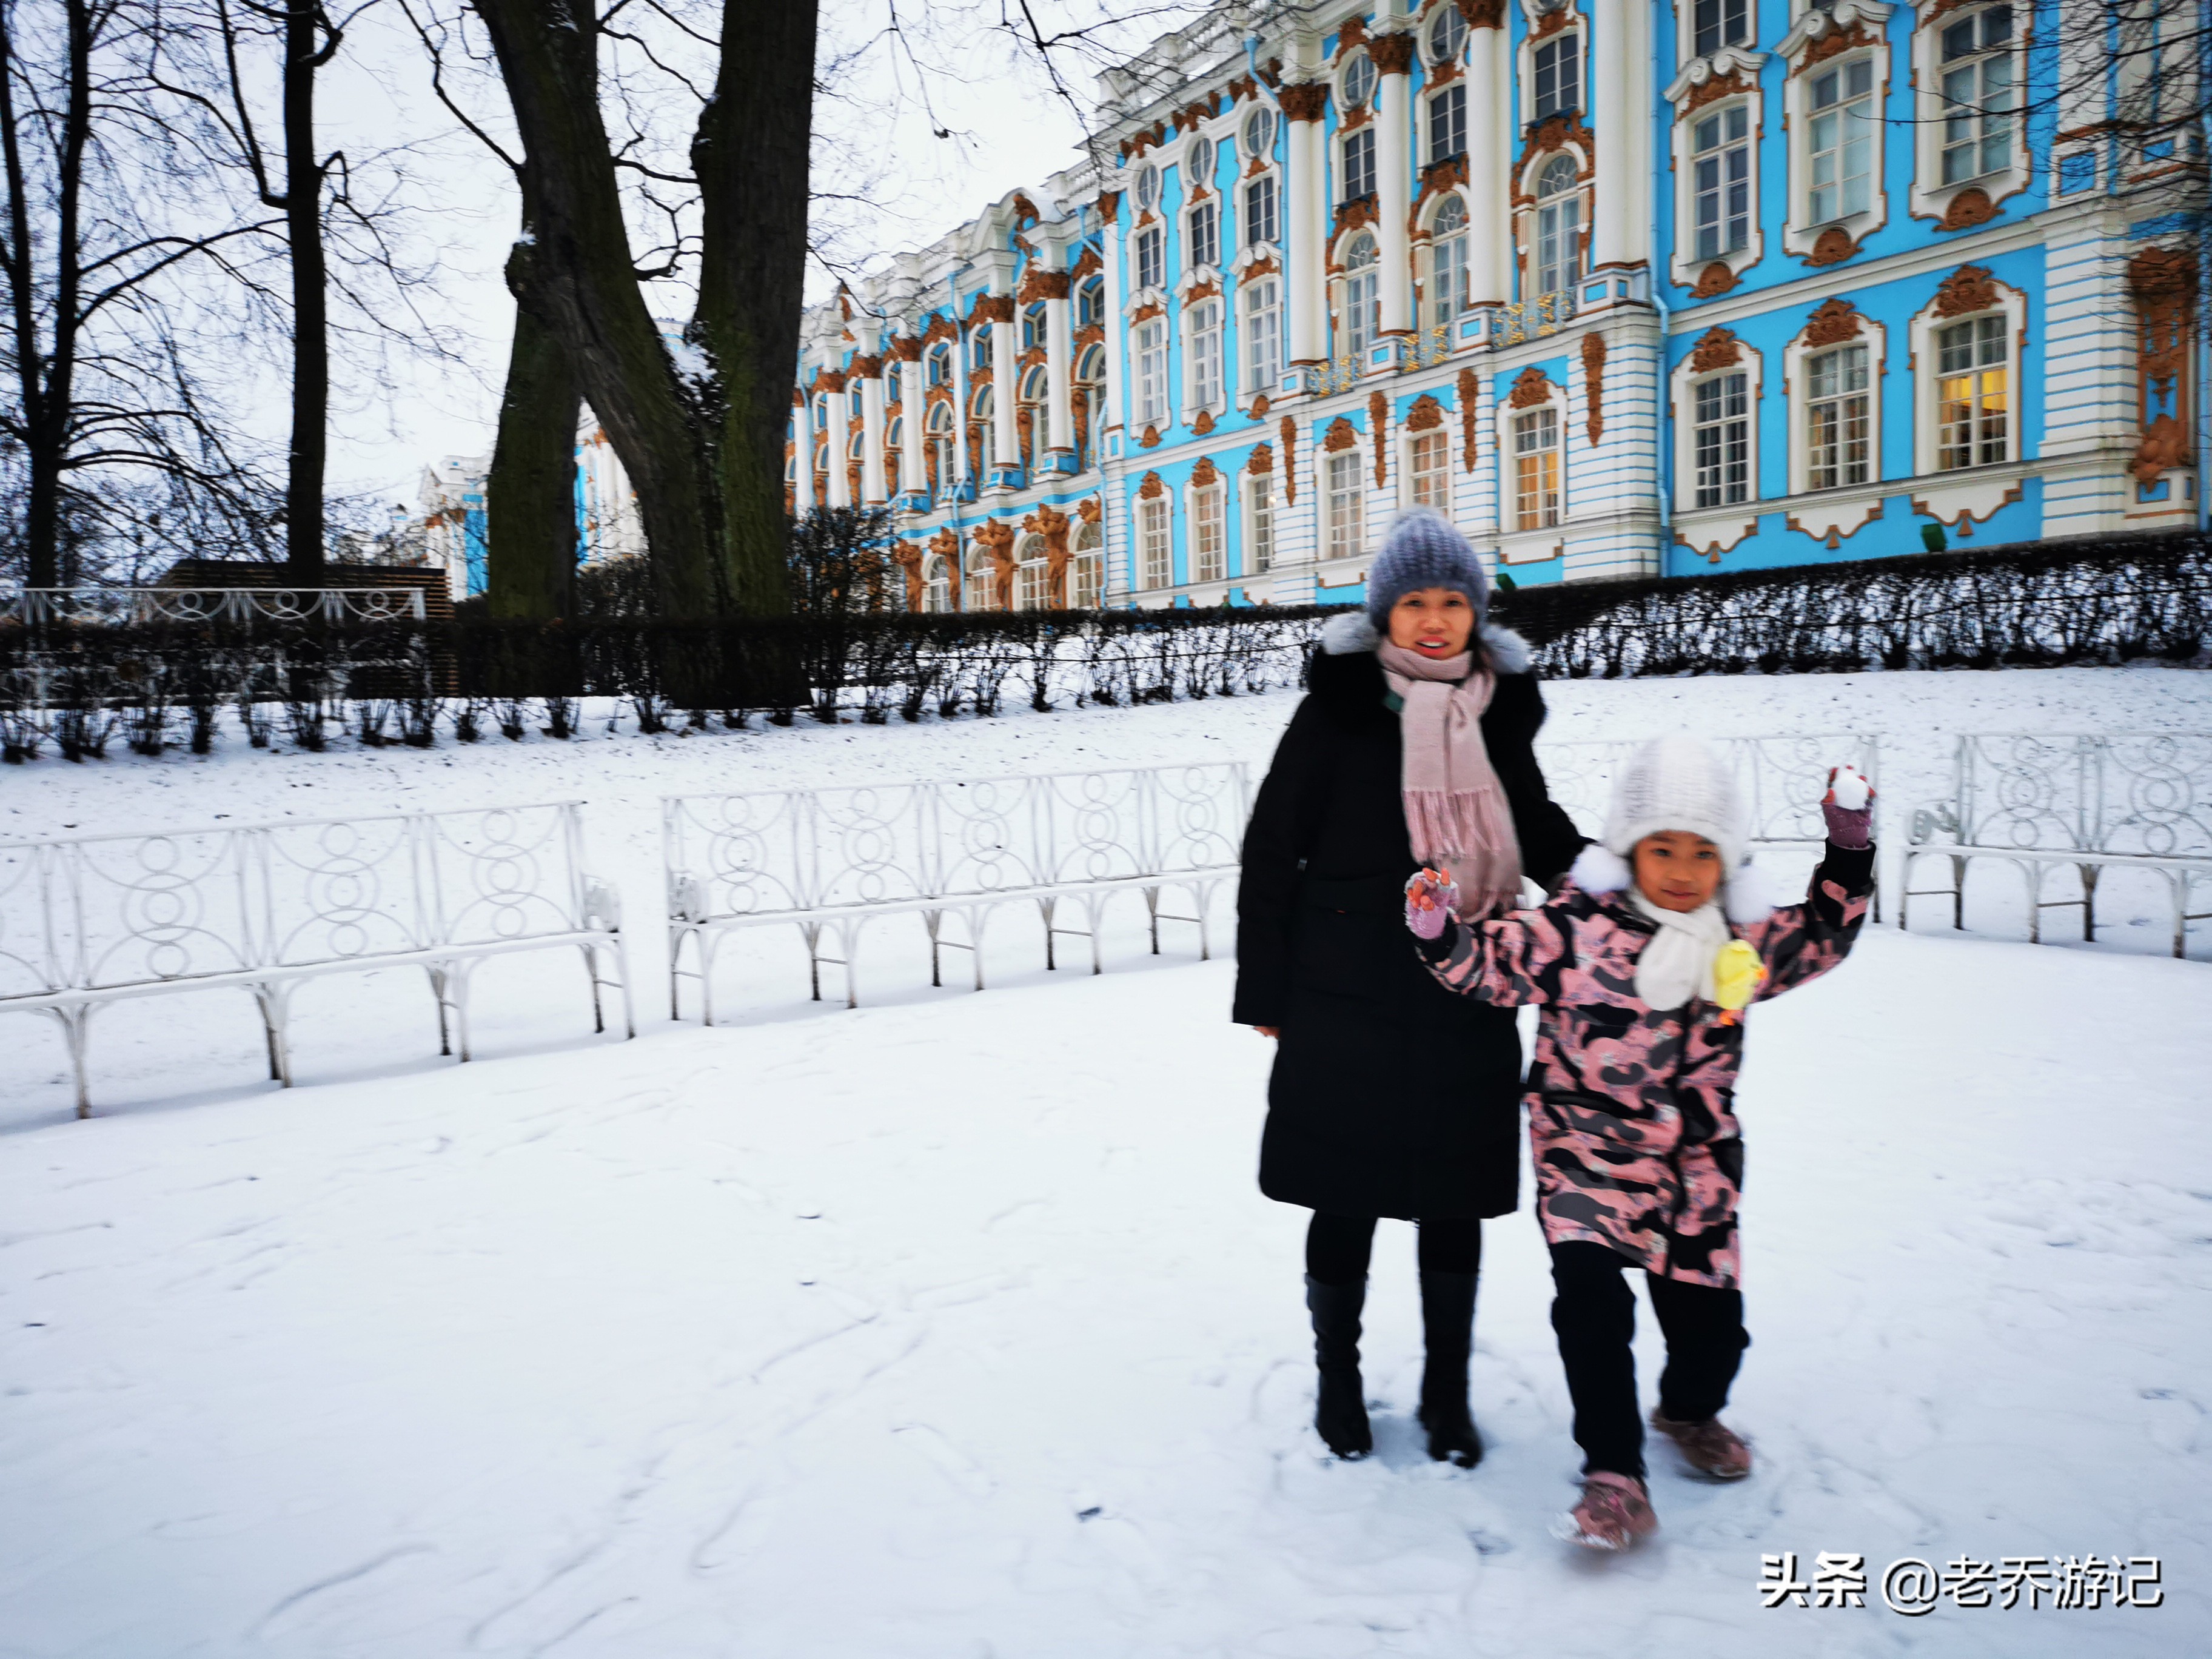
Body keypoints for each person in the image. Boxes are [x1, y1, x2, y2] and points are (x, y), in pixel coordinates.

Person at [1404, 738, 1877, 1548]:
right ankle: (1614, 1475)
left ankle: (1689, 1411)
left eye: (1703, 852)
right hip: (1584, 1148)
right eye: (1663, 848)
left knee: (1713, 1331)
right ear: (1629, 850)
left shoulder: (1741, 939)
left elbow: (1828, 933)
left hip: (1699, 1164)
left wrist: (1848, 845)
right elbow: (1490, 963)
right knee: (1591, 1309)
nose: (1683, 869)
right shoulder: (1577, 928)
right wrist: (1438, 929)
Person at [1235, 508, 1583, 1466]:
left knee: (1453, 1194)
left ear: (1478, 612)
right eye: (1416, 603)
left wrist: (1603, 880)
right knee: (1342, 1191)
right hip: (1341, 988)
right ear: (1384, 613)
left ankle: (1445, 1393)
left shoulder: (1495, 710)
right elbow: (1273, 848)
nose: (1435, 621)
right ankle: (1337, 1383)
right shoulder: (1336, 710)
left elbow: (1534, 818)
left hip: (1467, 979)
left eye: (1455, 601)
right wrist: (1265, 989)